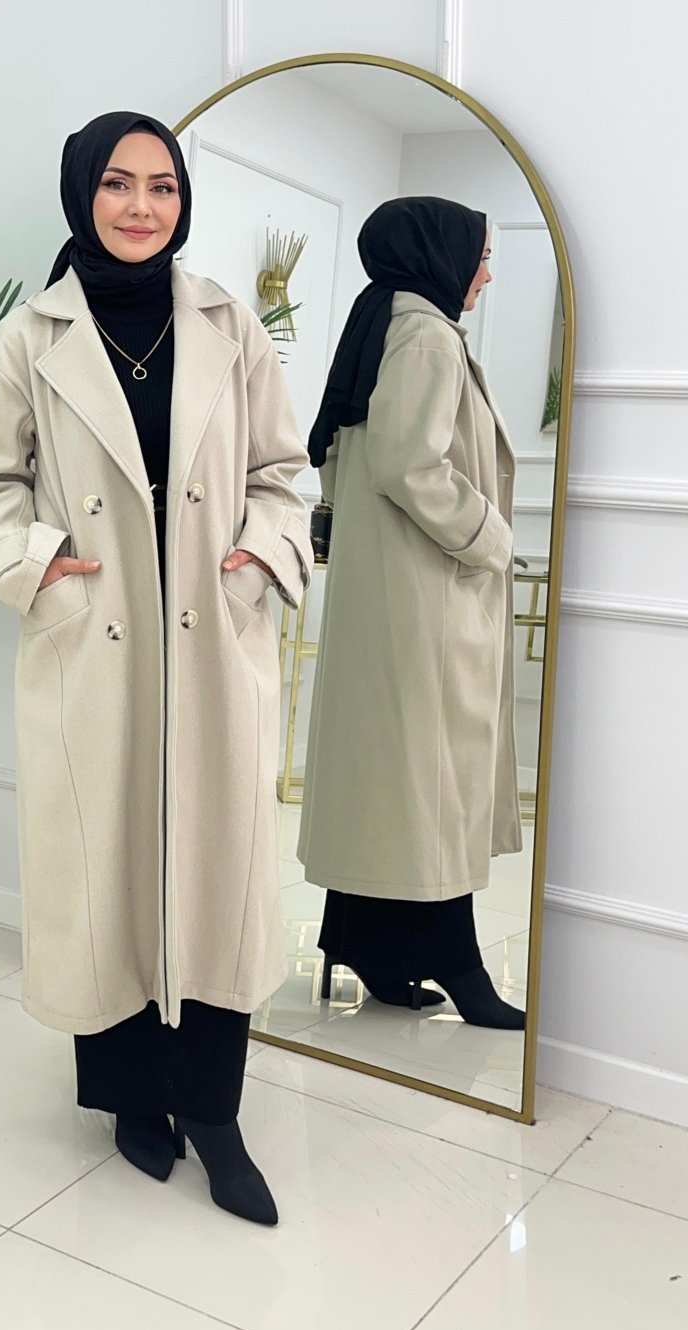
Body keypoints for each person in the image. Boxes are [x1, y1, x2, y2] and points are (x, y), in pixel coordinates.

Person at [0, 112, 313, 1225]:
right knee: (104, 869)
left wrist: (259, 557)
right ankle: (129, 1099)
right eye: (117, 183)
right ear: (82, 195)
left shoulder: (229, 323)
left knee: (214, 871)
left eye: (162, 186)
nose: (141, 206)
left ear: (182, 201)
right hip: (94, 642)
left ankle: (214, 1113)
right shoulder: (32, 336)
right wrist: (41, 565)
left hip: (213, 639)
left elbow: (284, 469)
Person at [297, 196, 525, 1031]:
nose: (486, 275)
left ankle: (366, 943)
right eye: (482, 256)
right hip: (427, 595)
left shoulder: (379, 320)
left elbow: (340, 455)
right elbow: (406, 462)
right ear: (440, 253)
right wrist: (488, 536)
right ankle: (454, 959)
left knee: (388, 783)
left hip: (382, 589)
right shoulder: (425, 334)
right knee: (436, 790)